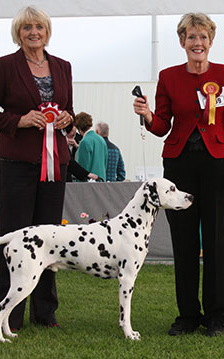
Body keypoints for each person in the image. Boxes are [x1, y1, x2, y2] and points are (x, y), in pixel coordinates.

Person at [0, 5, 75, 330]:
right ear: (18, 33)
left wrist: (67, 118)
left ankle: (45, 314)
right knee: (14, 239)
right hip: (15, 164)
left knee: (49, 239)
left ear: (47, 31)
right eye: (27, 28)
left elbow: (68, 109)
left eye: (39, 27)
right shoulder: (4, 66)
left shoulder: (62, 67)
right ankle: (9, 315)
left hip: (54, 165)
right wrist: (18, 120)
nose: (34, 33)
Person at [133, 13, 224, 337]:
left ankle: (217, 316)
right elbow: (161, 127)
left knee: (216, 242)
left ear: (210, 41)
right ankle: (187, 315)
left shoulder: (223, 74)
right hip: (179, 166)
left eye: (202, 37)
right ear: (182, 41)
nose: (197, 43)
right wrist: (147, 116)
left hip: (217, 165)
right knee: (183, 242)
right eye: (191, 37)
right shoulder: (168, 77)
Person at [75, 112, 108, 181]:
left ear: (78, 128)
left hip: (89, 184)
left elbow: (83, 167)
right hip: (101, 181)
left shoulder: (84, 142)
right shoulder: (101, 139)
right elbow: (105, 162)